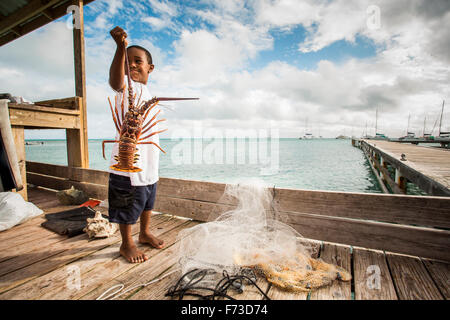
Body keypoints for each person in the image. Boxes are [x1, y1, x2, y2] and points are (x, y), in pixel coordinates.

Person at [107, 26, 164, 263]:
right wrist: (121, 47)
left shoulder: (147, 93)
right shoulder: (126, 90)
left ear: (150, 67)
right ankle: (126, 243)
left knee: (148, 197)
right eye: (127, 62)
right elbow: (115, 81)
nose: (131, 65)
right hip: (125, 165)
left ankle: (144, 232)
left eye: (137, 61)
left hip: (149, 164)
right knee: (125, 203)